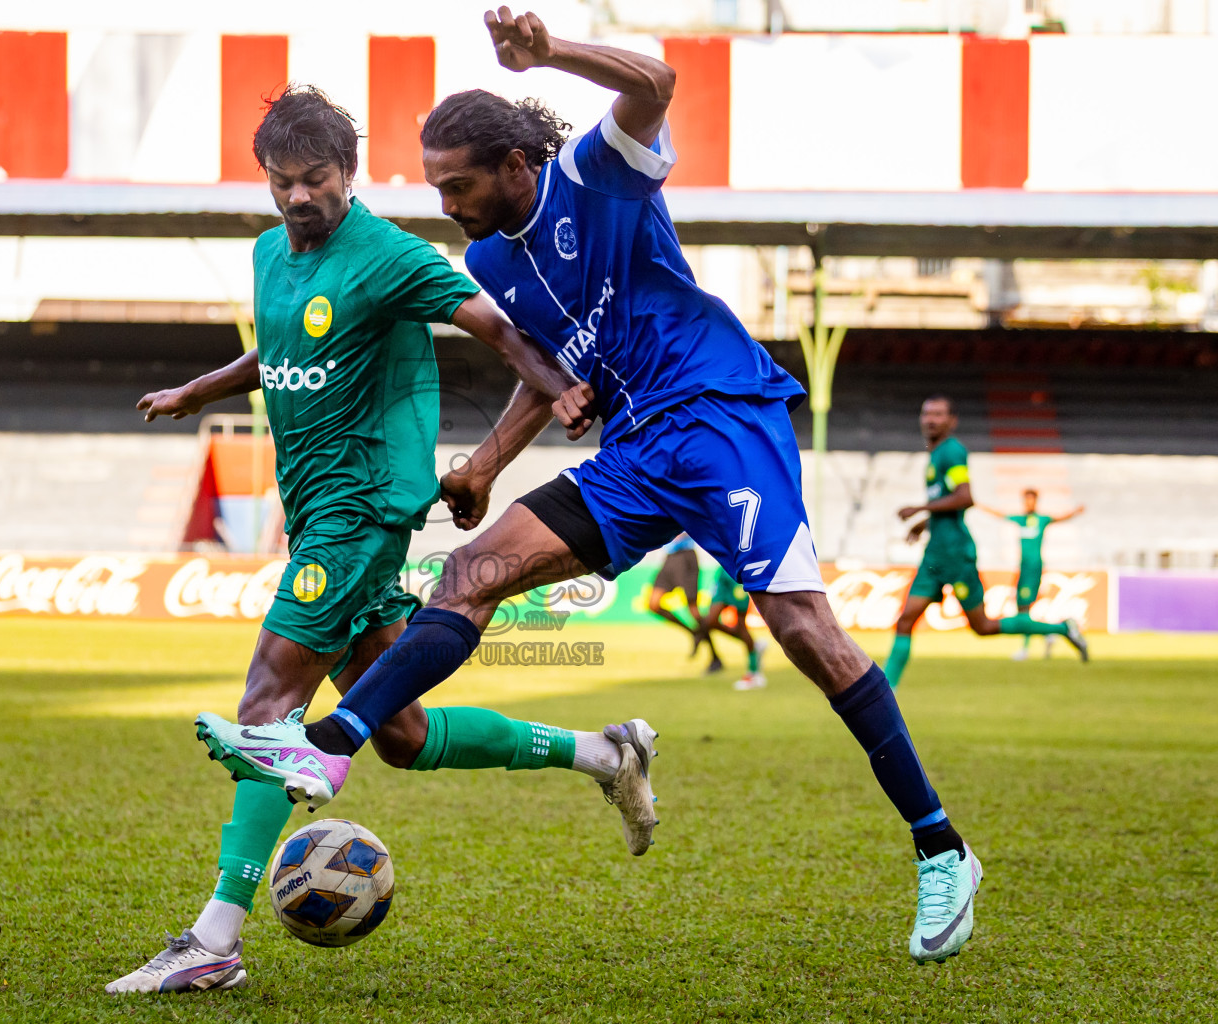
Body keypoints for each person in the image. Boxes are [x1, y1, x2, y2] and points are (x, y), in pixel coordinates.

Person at [197, 10, 986, 965]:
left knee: (806, 635)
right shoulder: (490, 261)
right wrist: (487, 464)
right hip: (635, 454)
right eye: (436, 184)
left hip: (722, 417)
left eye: (459, 184)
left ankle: (941, 846)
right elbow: (555, 376)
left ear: (515, 165)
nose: (446, 203)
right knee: (470, 576)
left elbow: (655, 84)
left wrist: (551, 55)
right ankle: (333, 740)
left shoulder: (594, 175)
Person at [106, 85, 658, 996]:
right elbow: (276, 347)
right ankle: (607, 754)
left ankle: (213, 940)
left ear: (347, 174)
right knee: (399, 732)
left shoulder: (392, 254)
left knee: (268, 701)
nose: (296, 198)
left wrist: (559, 385)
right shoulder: (268, 254)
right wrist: (199, 392)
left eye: (314, 180)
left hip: (359, 511)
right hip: (317, 508)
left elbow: (492, 324)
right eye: (280, 182)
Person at [885, 397, 1088, 689]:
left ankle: (1062, 627)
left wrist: (921, 509)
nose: (930, 419)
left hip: (955, 555)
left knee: (983, 626)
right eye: (926, 413)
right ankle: (886, 691)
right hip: (934, 555)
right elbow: (948, 502)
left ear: (951, 421)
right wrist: (924, 523)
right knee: (905, 620)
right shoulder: (936, 454)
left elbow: (965, 497)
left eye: (938, 414)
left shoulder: (952, 451)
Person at [976, 490, 1085, 660]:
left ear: (1036, 502)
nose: (1028, 503)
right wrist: (980, 506)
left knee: (1024, 610)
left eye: (1031, 500)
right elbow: (1000, 515)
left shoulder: (1041, 520)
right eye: (1026, 500)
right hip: (1022, 569)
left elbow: (1060, 518)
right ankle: (1047, 634)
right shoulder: (1020, 520)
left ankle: (1028, 647)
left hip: (1033, 570)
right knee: (1022, 608)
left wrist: (1075, 512)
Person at [646, 533, 720, 669]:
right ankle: (693, 632)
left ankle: (715, 657)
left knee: (693, 609)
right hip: (670, 557)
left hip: (686, 557)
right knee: (653, 604)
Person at [702, 562, 771, 690]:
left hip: (738, 570)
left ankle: (754, 673)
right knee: (709, 621)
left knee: (740, 625)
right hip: (723, 570)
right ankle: (754, 645)